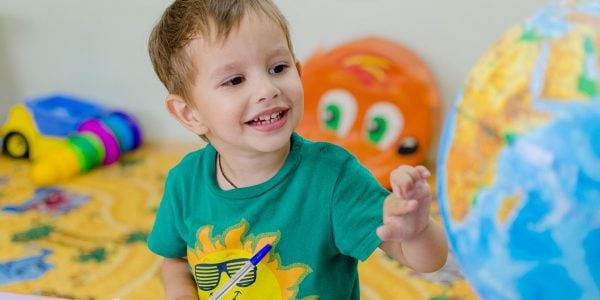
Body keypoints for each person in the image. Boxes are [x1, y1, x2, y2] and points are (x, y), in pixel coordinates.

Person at [146, 0, 448, 299]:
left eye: (278, 68)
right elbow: (174, 259)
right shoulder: (184, 182)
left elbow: (427, 261)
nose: (268, 89)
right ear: (189, 114)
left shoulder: (334, 178)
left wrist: (417, 231)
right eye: (235, 80)